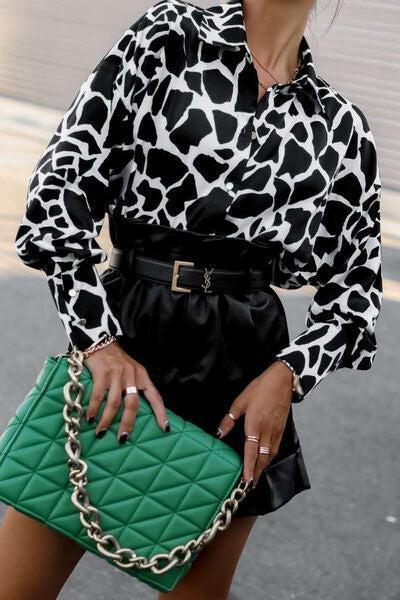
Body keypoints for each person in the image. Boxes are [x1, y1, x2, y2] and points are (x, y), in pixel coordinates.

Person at [1, 0, 383, 598]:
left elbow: (357, 288)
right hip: (132, 331)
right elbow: (62, 184)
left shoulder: (340, 126)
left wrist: (290, 373)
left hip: (246, 374)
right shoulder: (170, 35)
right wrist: (95, 339)